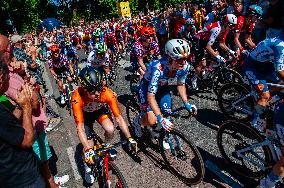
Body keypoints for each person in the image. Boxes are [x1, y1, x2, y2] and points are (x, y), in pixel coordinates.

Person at [71, 66, 137, 184]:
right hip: (85, 116)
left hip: (99, 111)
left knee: (110, 129)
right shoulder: (77, 97)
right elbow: (80, 128)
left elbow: (119, 119)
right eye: (92, 90)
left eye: (99, 88)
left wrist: (129, 138)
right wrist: (87, 149)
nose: (97, 93)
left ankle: (105, 146)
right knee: (89, 147)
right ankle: (88, 168)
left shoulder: (106, 93)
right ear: (84, 89)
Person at [133, 39, 197, 139]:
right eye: (179, 59)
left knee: (167, 114)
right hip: (147, 87)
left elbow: (180, 84)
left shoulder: (185, 66)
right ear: (169, 58)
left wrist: (186, 103)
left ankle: (159, 132)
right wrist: (159, 118)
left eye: (185, 59)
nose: (183, 63)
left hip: (162, 87)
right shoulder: (158, 68)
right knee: (151, 120)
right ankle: (137, 122)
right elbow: (150, 96)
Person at [0, 60, 46, 187]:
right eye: (8, 77)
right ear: (1, 78)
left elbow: (8, 128)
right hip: (22, 178)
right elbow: (27, 140)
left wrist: (20, 106)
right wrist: (26, 106)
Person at [244, 33, 284, 132]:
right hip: (252, 66)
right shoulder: (280, 46)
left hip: (265, 65)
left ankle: (269, 98)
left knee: (281, 84)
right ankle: (256, 119)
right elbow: (279, 71)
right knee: (265, 95)